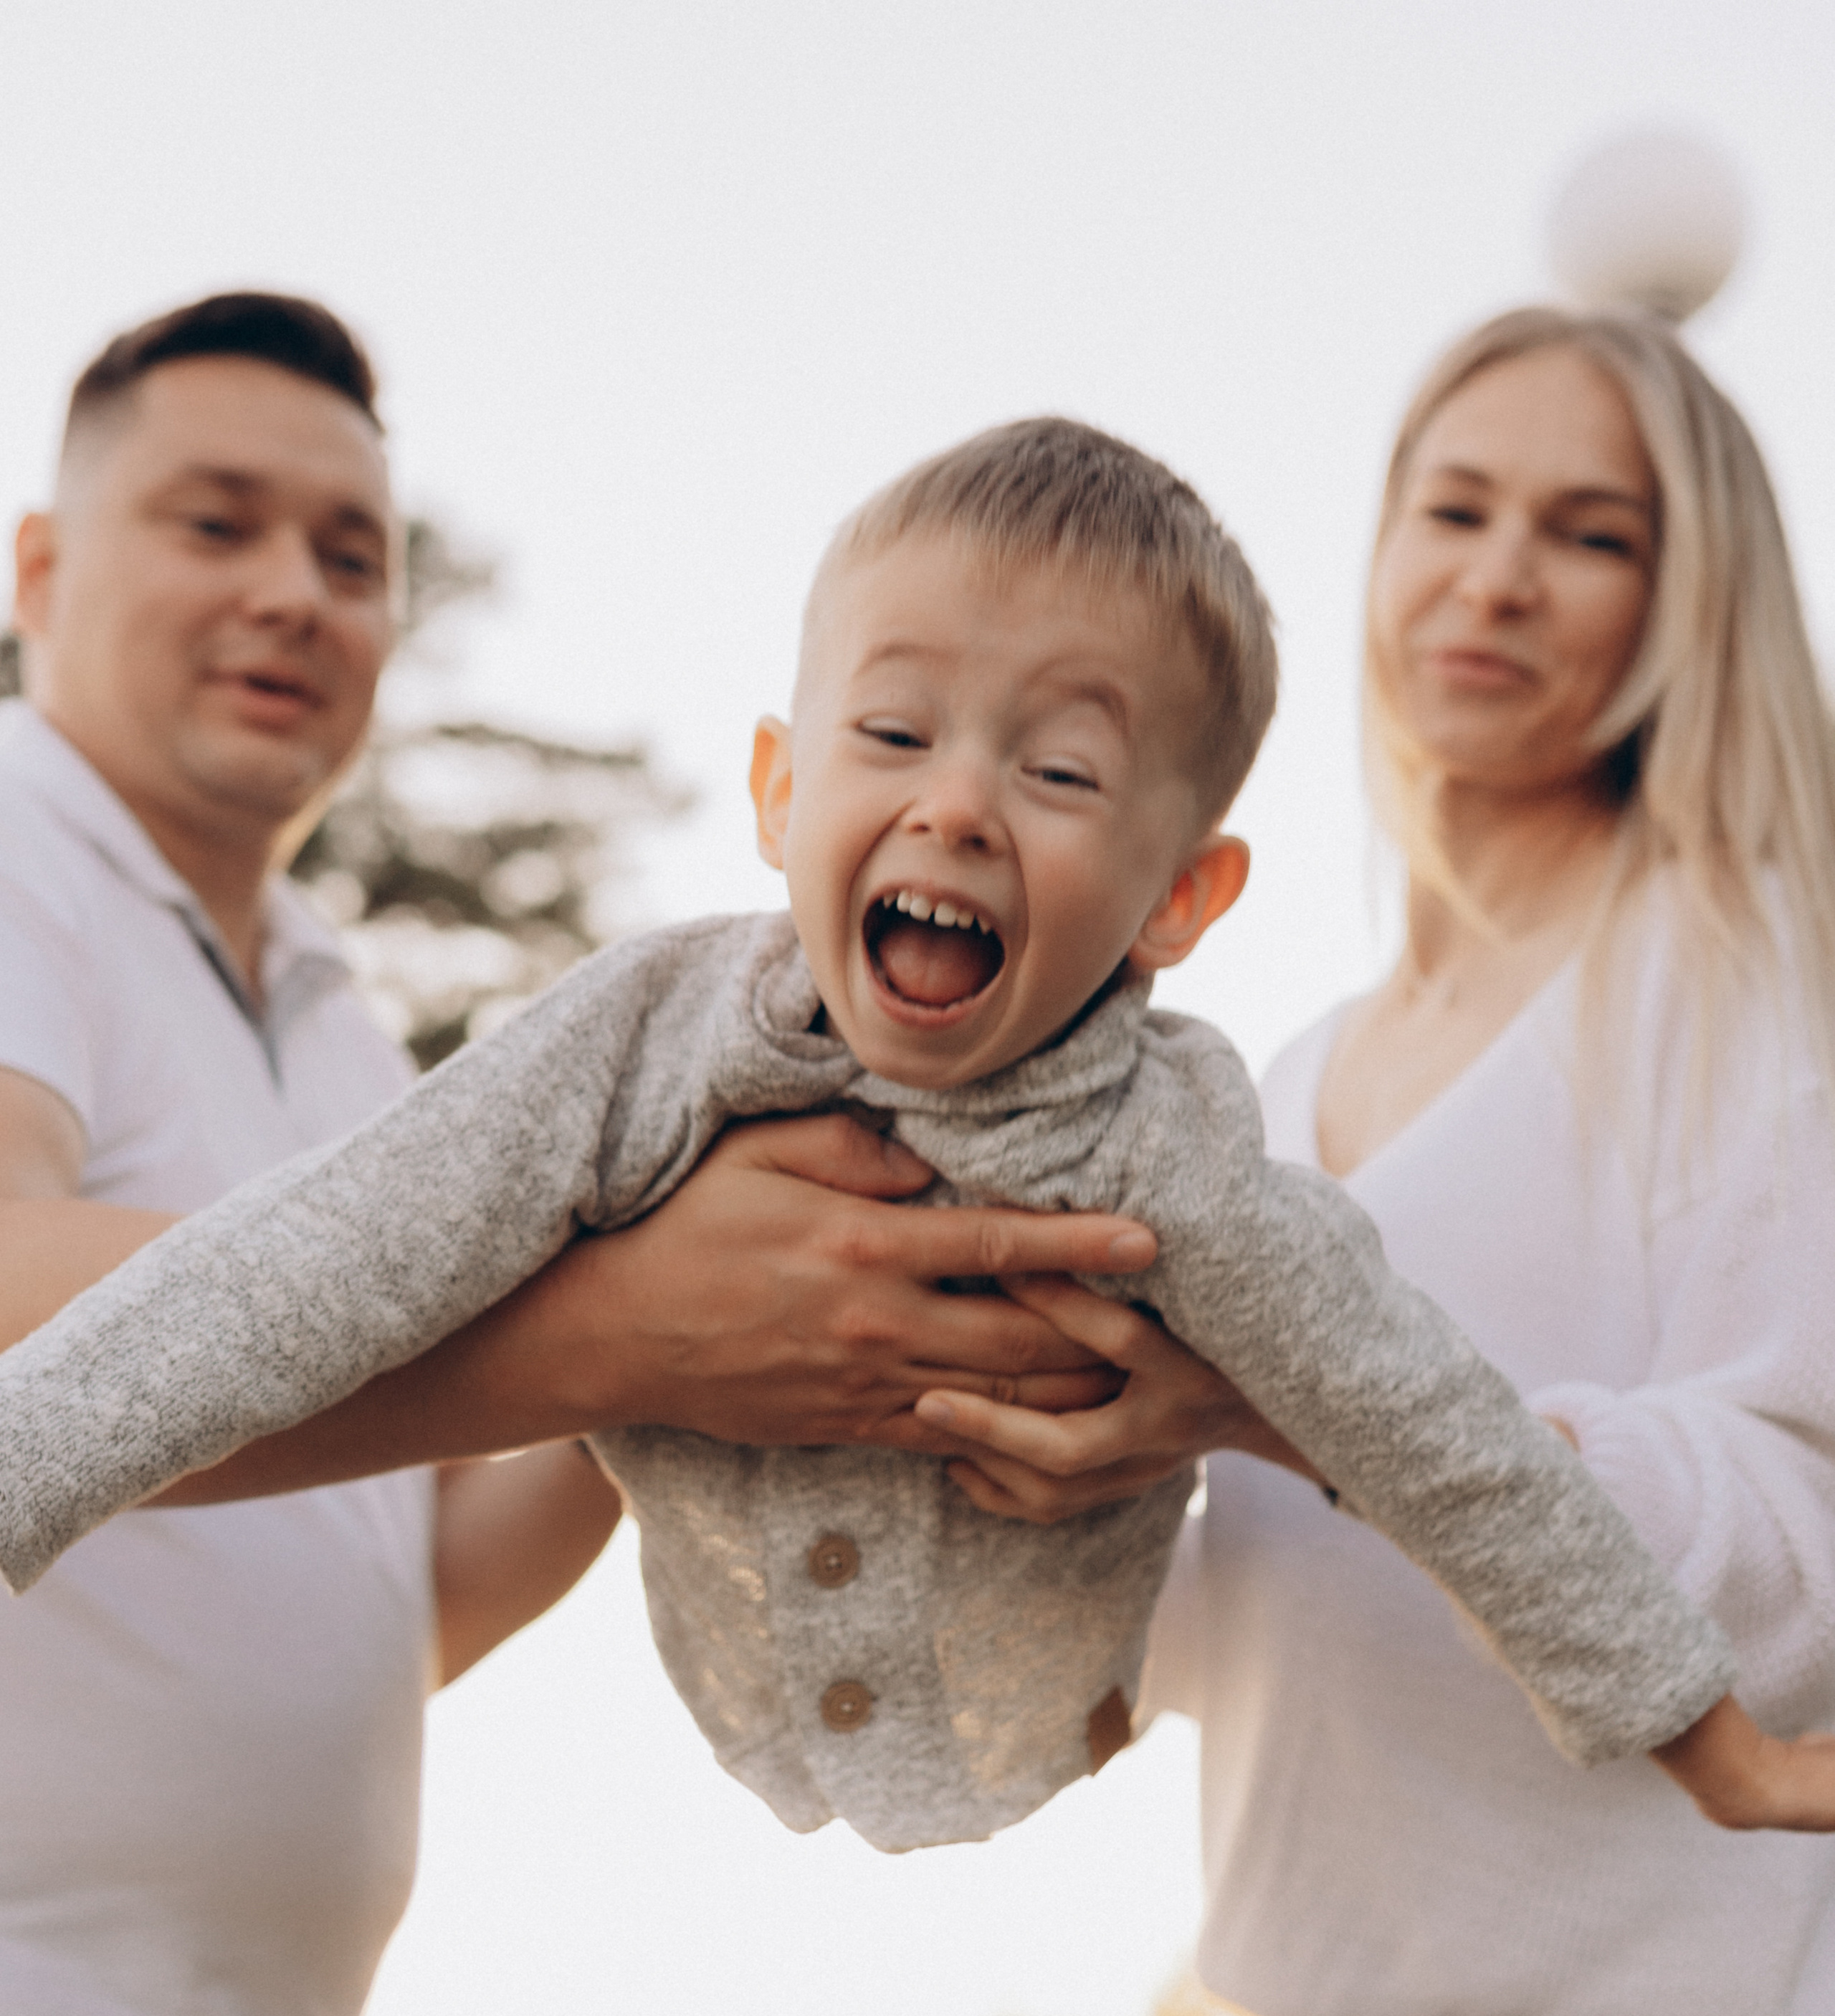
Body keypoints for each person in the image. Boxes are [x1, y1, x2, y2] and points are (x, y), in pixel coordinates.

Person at [0, 299, 1144, 2016]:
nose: (296, 593)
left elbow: (384, 1581)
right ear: (34, 565)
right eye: (215, 523)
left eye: (352, 551)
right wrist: (626, 1327)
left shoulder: (323, 1022)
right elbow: (18, 1329)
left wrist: (776, 1348)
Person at [0, 420, 1821, 1860]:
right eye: (894, 731)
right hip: (734, 1681)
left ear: (1179, 896)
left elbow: (1450, 1446)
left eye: (1059, 773)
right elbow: (310, 1261)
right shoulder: (636, 1038)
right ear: (784, 788)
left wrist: (1700, 1734)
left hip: (1043, 1716)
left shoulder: (1177, 1157)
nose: (953, 798)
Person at [938, 310, 1835, 2016]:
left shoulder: (1756, 991)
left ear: (1695, 601)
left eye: (1592, 529)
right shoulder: (1303, 1061)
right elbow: (1260, 1596)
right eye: (1456, 506)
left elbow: (1798, 1520)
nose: (1504, 576)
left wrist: (1302, 1403)